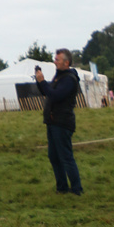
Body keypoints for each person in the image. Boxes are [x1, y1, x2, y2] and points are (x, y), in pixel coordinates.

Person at [35, 49, 83, 196]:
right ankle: (61, 187)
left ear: (66, 62)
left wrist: (43, 81)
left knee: (66, 157)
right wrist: (40, 82)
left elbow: (55, 96)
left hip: (62, 123)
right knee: (54, 156)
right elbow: (47, 92)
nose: (55, 61)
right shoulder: (59, 77)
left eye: (57, 59)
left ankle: (76, 189)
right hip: (52, 122)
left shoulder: (68, 79)